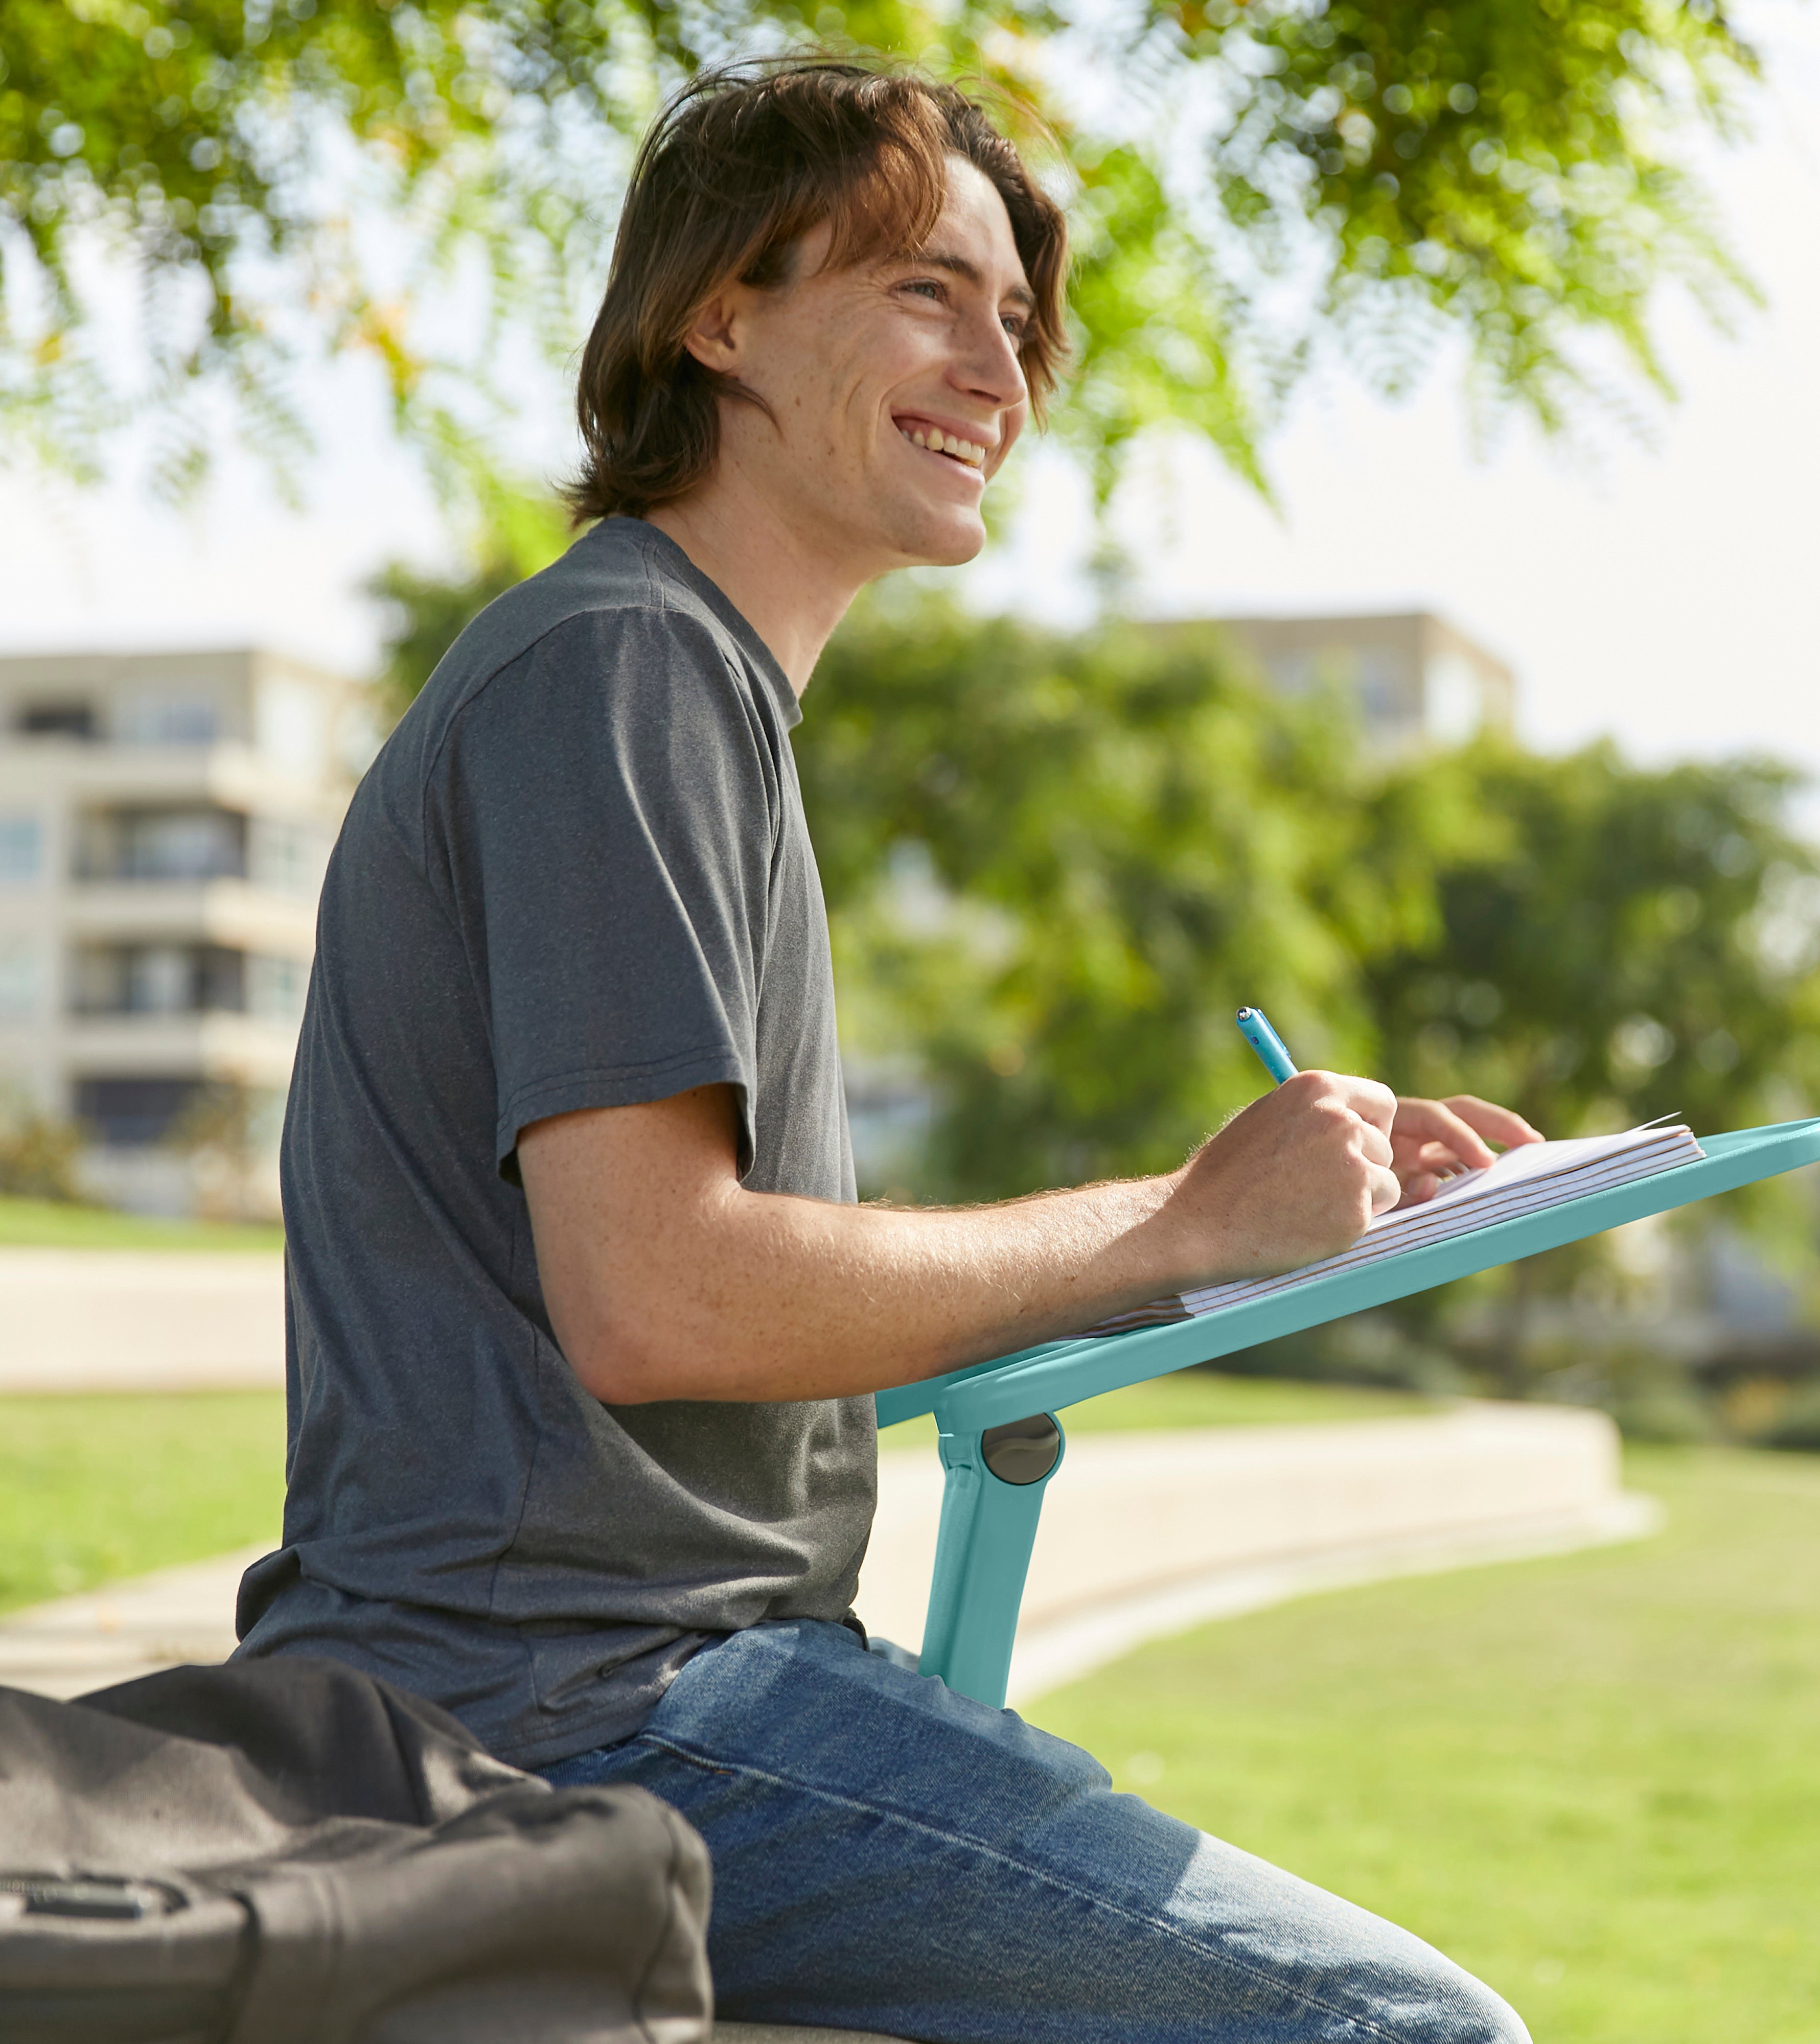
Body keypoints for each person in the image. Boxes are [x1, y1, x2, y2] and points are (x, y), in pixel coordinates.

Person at [236, 59, 1541, 2042]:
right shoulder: (625, 667)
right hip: (571, 1716)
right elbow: (660, 1297)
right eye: (928, 290)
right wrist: (1179, 1216)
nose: (998, 369)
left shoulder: (677, 687)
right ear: (719, 313)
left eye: (1015, 321)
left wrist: (1268, 1224)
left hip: (604, 1686)